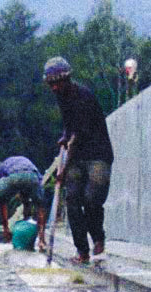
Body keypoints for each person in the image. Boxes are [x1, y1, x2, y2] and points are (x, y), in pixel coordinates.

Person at [42, 56, 114, 264]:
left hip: (97, 154)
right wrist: (64, 136)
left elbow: (79, 133)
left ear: (67, 79)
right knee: (72, 200)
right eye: (51, 84)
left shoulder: (83, 96)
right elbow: (70, 126)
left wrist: (62, 168)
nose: (54, 87)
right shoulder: (61, 97)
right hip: (77, 154)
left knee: (92, 199)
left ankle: (98, 238)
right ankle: (82, 250)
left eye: (57, 82)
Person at [0, 155, 47, 244]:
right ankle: (41, 240)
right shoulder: (16, 162)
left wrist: (6, 228)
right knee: (40, 206)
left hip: (15, 175)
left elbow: (1, 201)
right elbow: (37, 183)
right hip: (33, 176)